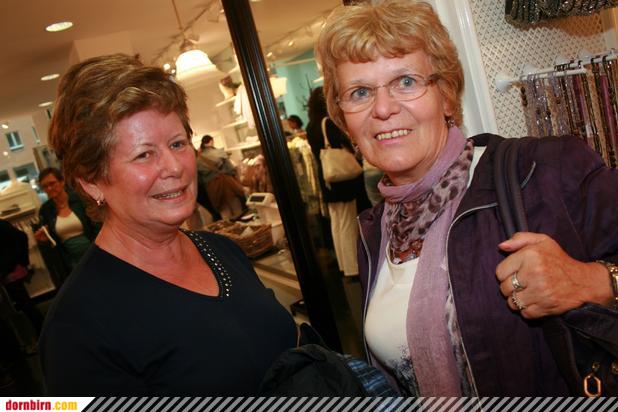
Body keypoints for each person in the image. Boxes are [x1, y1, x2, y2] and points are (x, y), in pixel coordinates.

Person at [316, 0, 618, 396]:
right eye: (359, 92)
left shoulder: (545, 172)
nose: (383, 109)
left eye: (405, 81)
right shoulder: (373, 232)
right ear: (344, 119)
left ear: (445, 94)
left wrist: (595, 282)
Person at [39, 53, 296, 395]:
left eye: (177, 143)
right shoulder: (76, 328)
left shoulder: (221, 250)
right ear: (91, 181)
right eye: (144, 154)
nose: (175, 167)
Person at [306, 87, 371, 277]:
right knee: (348, 224)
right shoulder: (328, 123)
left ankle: (344, 265)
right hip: (341, 181)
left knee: (337, 224)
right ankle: (353, 267)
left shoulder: (310, 126)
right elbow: (347, 145)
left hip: (327, 179)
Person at [34, 168, 98, 272]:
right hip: (70, 261)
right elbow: (51, 242)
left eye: (52, 183)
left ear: (62, 182)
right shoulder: (45, 210)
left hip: (94, 251)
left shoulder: (79, 199)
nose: (49, 188)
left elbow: (96, 224)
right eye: (45, 186)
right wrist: (43, 241)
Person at [197, 134, 247, 219]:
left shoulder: (198, 160)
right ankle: (240, 225)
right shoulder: (219, 152)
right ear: (211, 141)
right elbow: (230, 169)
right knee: (235, 206)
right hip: (226, 183)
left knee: (223, 210)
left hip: (212, 188)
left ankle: (228, 226)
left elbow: (200, 180)